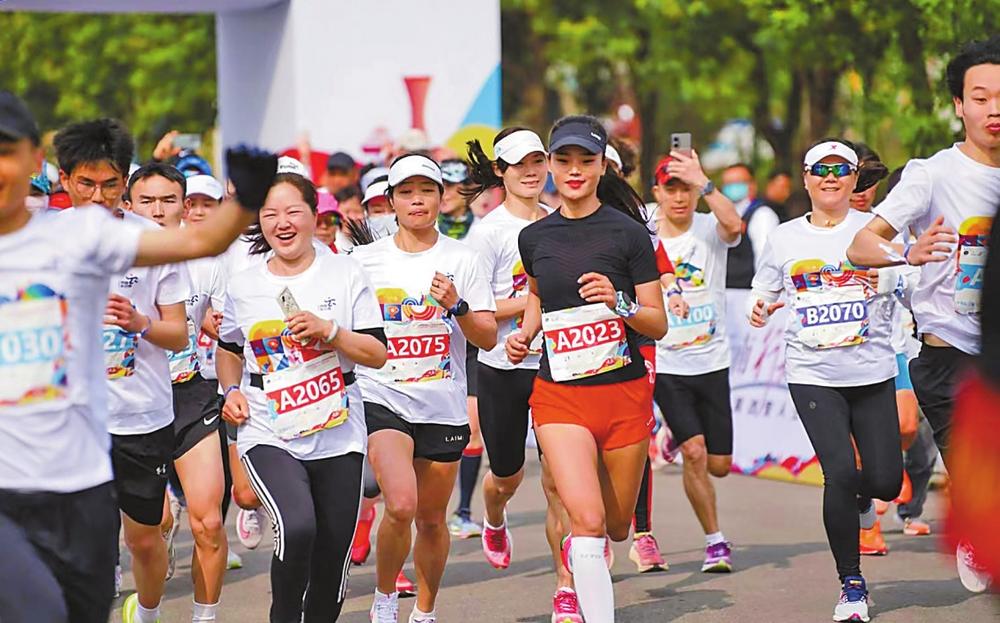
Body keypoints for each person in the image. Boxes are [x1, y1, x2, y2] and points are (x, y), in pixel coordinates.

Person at [0, 91, 277, 623]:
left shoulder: (80, 235)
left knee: (86, 602)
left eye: (6, 150)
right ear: (63, 178)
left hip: (77, 476)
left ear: (36, 160)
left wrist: (247, 198)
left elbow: (200, 243)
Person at [846, 35, 1000, 593]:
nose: (994, 109)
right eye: (980, 98)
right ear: (959, 105)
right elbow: (861, 245)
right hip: (950, 356)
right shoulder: (932, 174)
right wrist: (906, 252)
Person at [508, 115, 667, 621]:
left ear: (602, 167)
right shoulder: (535, 238)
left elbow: (657, 322)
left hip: (623, 396)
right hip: (559, 397)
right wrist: (526, 333)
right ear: (551, 165)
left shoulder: (629, 234)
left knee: (618, 524)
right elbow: (538, 293)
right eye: (564, 160)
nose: (574, 170)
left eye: (586, 161)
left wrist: (619, 303)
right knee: (588, 518)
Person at [216, 171, 388, 623]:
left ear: (316, 215)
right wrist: (231, 388)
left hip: (338, 427)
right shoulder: (245, 283)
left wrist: (330, 331)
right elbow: (229, 349)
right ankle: (284, 614)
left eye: (294, 211)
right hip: (269, 425)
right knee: (297, 526)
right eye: (270, 214)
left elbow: (376, 353)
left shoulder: (345, 272)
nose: (282, 223)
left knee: (333, 550)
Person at [750, 138, 904, 622]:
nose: (831, 177)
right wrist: (761, 304)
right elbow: (765, 284)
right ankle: (851, 584)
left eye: (841, 169)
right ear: (806, 179)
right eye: (821, 169)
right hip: (812, 374)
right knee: (838, 471)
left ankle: (864, 494)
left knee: (883, 481)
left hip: (872, 371)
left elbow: (911, 283)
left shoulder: (875, 233)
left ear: (855, 179)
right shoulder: (785, 237)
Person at [55, 120, 193, 623]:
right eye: (86, 183)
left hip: (140, 416)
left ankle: (148, 612)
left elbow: (179, 334)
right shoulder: (42, 242)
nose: (98, 196)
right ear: (65, 179)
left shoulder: (153, 243)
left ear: (125, 182)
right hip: (68, 416)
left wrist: (140, 322)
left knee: (143, 539)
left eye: (110, 184)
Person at [352, 154, 496, 623]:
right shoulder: (364, 261)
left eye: (427, 191)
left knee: (431, 519)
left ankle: (426, 611)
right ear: (391, 201)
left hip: (442, 403)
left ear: (441, 197)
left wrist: (457, 306)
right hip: (382, 396)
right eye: (407, 192)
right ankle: (385, 597)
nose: (418, 200)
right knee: (401, 503)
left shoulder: (463, 259)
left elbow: (487, 337)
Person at [462, 127, 588, 620]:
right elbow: (475, 311)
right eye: (519, 165)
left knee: (559, 482)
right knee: (507, 477)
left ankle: (566, 587)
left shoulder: (564, 220)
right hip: (502, 366)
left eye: (538, 160)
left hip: (557, 365)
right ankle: (493, 514)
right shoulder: (488, 234)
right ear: (501, 172)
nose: (532, 171)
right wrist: (536, 297)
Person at [127, 164, 231, 622]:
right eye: (146, 201)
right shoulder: (112, 257)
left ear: (184, 206)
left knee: (208, 523)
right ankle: (147, 612)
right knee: (152, 531)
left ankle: (204, 617)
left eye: (168, 200)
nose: (157, 210)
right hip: (132, 403)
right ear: (128, 205)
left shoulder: (207, 260)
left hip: (190, 396)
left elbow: (226, 326)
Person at [650, 149, 743, 573]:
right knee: (695, 451)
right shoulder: (646, 232)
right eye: (671, 189)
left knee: (720, 466)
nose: (680, 197)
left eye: (685, 188)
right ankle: (715, 541)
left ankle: (673, 435)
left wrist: (705, 182)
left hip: (712, 358)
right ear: (657, 193)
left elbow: (735, 224)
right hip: (668, 363)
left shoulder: (708, 226)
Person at [722, 162, 781, 288]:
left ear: (752, 185)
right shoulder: (719, 216)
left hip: (746, 292)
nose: (732, 187)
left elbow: (765, 259)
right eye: (728, 183)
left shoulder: (762, 215)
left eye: (738, 182)